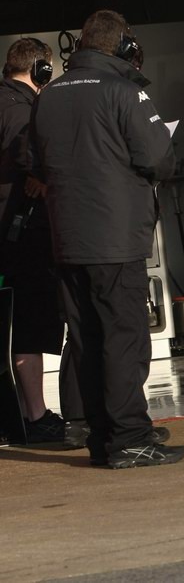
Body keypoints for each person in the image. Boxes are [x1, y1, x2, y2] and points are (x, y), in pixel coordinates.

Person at [31, 10, 184, 468]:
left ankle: (103, 439)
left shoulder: (48, 95)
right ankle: (132, 438)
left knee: (87, 341)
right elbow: (160, 160)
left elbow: (35, 160)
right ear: (120, 46)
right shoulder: (125, 92)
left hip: (67, 237)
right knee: (123, 339)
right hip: (115, 239)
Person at [0, 38, 66, 443]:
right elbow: (28, 155)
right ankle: (35, 414)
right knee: (26, 323)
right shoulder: (20, 109)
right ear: (41, 70)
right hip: (17, 236)